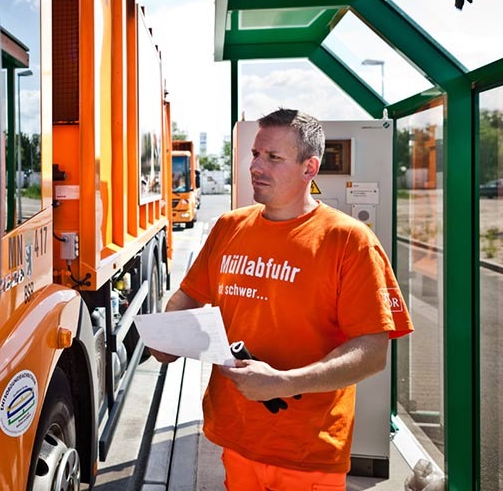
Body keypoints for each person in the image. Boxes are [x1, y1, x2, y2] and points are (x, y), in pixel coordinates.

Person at [151, 108, 413, 490]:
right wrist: (166, 337)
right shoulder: (229, 227)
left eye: (273, 157)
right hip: (236, 437)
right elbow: (189, 295)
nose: (256, 166)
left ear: (310, 168)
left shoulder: (349, 241)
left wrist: (284, 383)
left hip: (308, 451)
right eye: (256, 154)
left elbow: (372, 352)